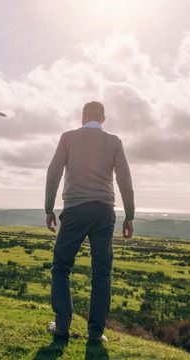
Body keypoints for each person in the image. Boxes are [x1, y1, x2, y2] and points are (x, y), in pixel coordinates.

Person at [45, 100, 135, 343]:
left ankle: (62, 326)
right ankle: (95, 334)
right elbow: (124, 180)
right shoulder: (114, 142)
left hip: (74, 210)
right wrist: (130, 215)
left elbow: (53, 173)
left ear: (82, 116)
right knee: (101, 274)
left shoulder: (68, 137)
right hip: (104, 211)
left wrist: (48, 208)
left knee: (61, 268)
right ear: (103, 119)